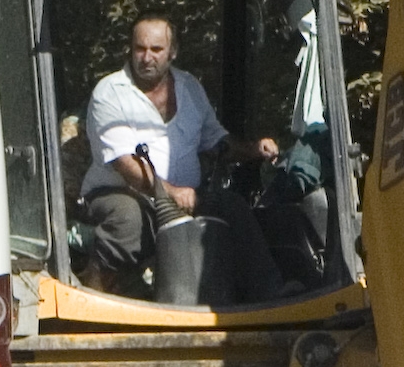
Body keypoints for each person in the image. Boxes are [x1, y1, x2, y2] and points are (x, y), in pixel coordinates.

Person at [76, 16, 274, 291]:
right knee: (127, 222)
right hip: (122, 193)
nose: (147, 57)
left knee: (233, 208)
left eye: (156, 49)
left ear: (173, 52)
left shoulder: (190, 87)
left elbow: (214, 139)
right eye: (139, 49)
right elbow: (126, 165)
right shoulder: (109, 93)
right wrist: (171, 193)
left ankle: (270, 294)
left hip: (186, 195)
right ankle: (91, 298)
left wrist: (253, 149)